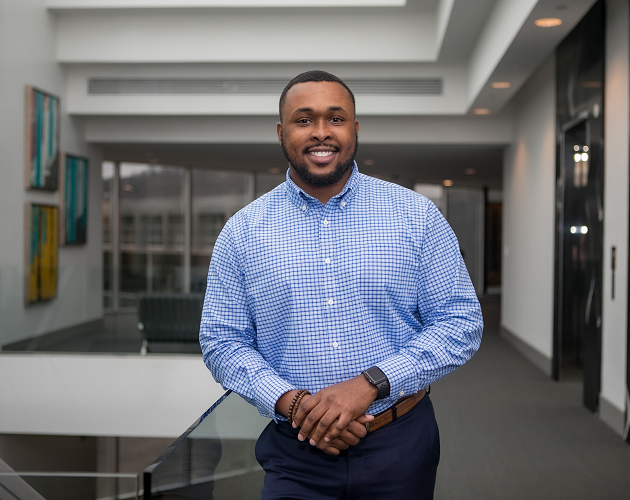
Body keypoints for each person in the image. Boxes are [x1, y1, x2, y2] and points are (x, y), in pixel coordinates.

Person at [199, 70, 483, 499]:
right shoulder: (243, 232)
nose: (320, 133)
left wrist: (369, 384)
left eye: (335, 118)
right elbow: (222, 340)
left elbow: (460, 323)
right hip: (295, 450)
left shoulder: (416, 216)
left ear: (355, 128)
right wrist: (296, 406)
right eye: (303, 119)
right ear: (281, 132)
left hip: (399, 444)